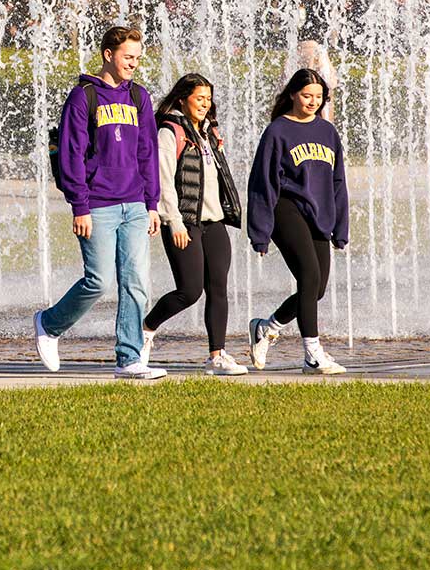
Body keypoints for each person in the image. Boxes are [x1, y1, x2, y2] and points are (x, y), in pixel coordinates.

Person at [33, 25, 165, 380]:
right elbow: (71, 156)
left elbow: (147, 153)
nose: (133, 64)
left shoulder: (140, 97)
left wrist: (152, 203)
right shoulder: (83, 97)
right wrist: (80, 206)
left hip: (135, 205)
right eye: (128, 57)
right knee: (98, 281)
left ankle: (129, 357)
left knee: (137, 282)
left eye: (137, 58)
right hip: (98, 206)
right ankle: (49, 323)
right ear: (108, 54)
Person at [245, 68, 350, 375]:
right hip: (285, 209)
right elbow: (262, 183)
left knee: (316, 288)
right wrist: (260, 232)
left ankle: (267, 327)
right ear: (292, 94)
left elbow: (338, 182)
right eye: (307, 95)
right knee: (308, 275)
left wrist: (340, 228)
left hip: (319, 213)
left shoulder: (328, 132)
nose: (313, 102)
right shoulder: (278, 131)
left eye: (319, 97)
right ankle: (313, 353)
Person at [141, 73, 247, 375]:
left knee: (218, 288)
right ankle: (147, 328)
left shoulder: (209, 133)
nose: (205, 104)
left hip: (214, 223)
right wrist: (173, 222)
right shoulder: (170, 132)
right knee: (189, 290)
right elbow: (163, 180)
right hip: (184, 223)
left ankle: (217, 356)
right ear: (183, 98)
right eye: (199, 98)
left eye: (208, 99)